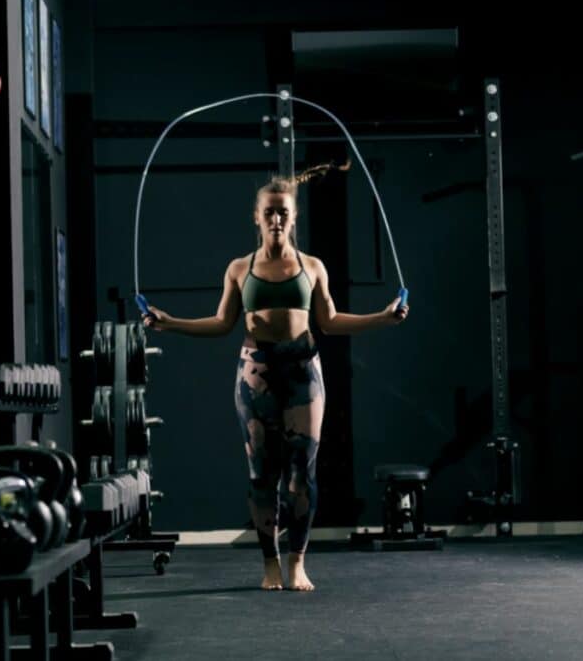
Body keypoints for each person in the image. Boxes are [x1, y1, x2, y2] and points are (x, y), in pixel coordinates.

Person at [142, 163, 408, 592]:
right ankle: (270, 565)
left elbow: (332, 320)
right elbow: (221, 323)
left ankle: (298, 563)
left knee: (302, 473)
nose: (277, 219)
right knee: (261, 473)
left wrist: (383, 317)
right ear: (257, 217)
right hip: (256, 373)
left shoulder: (313, 267)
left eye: (283, 212)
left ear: (293, 217)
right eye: (269, 213)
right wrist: (170, 323)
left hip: (304, 371)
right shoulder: (238, 269)